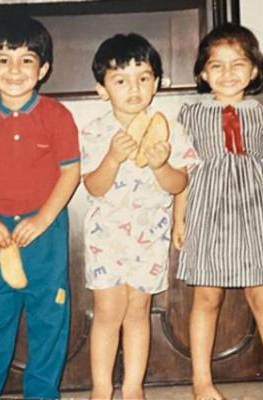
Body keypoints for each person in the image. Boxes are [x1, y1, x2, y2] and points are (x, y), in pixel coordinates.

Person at [172, 23, 263, 400]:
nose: (227, 73)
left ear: (255, 70)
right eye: (217, 65)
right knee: (206, 298)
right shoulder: (190, 115)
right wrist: (180, 217)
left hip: (257, 214)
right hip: (207, 214)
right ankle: (201, 382)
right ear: (203, 73)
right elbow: (184, 169)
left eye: (238, 64)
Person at [81, 33, 198, 400]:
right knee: (107, 312)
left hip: (150, 235)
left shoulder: (171, 129)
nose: (134, 88)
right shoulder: (95, 131)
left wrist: (162, 165)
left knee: (138, 309)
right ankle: (101, 388)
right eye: (121, 80)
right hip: (106, 236)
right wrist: (112, 158)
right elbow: (94, 187)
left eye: (143, 78)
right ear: (102, 90)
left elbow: (179, 184)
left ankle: (133, 387)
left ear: (156, 83)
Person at [0, 17, 80, 399]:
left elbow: (70, 173)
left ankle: (41, 392)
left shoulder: (57, 116)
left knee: (48, 316)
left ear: (43, 69)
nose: (14, 69)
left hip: (45, 230)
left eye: (26, 59)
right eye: (3, 59)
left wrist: (43, 218)